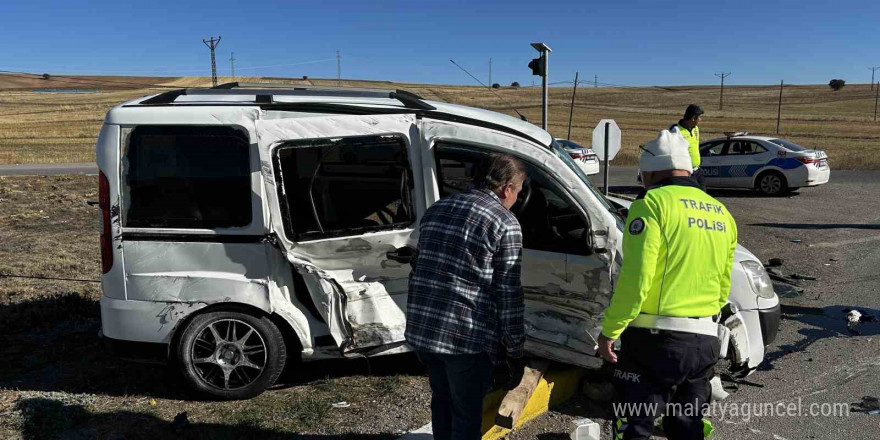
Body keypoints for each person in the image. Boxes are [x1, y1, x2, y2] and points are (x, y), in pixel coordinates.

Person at [597, 130, 737, 440]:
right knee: (687, 426)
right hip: (704, 342)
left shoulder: (652, 204)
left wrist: (611, 331)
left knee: (633, 425)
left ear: (649, 171)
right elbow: (723, 284)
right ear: (687, 169)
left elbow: (636, 278)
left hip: (653, 341)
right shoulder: (721, 213)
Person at [405, 153, 528, 440]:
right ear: (507, 188)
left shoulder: (437, 208)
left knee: (442, 398)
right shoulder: (504, 222)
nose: (517, 199)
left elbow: (419, 263)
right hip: (464, 337)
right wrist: (515, 346)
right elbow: (508, 292)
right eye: (518, 192)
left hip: (424, 331)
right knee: (466, 411)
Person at [670, 104, 705, 188]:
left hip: (697, 171)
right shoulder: (676, 131)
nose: (700, 120)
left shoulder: (696, 129)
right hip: (686, 173)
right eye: (699, 117)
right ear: (693, 118)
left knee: (703, 195)